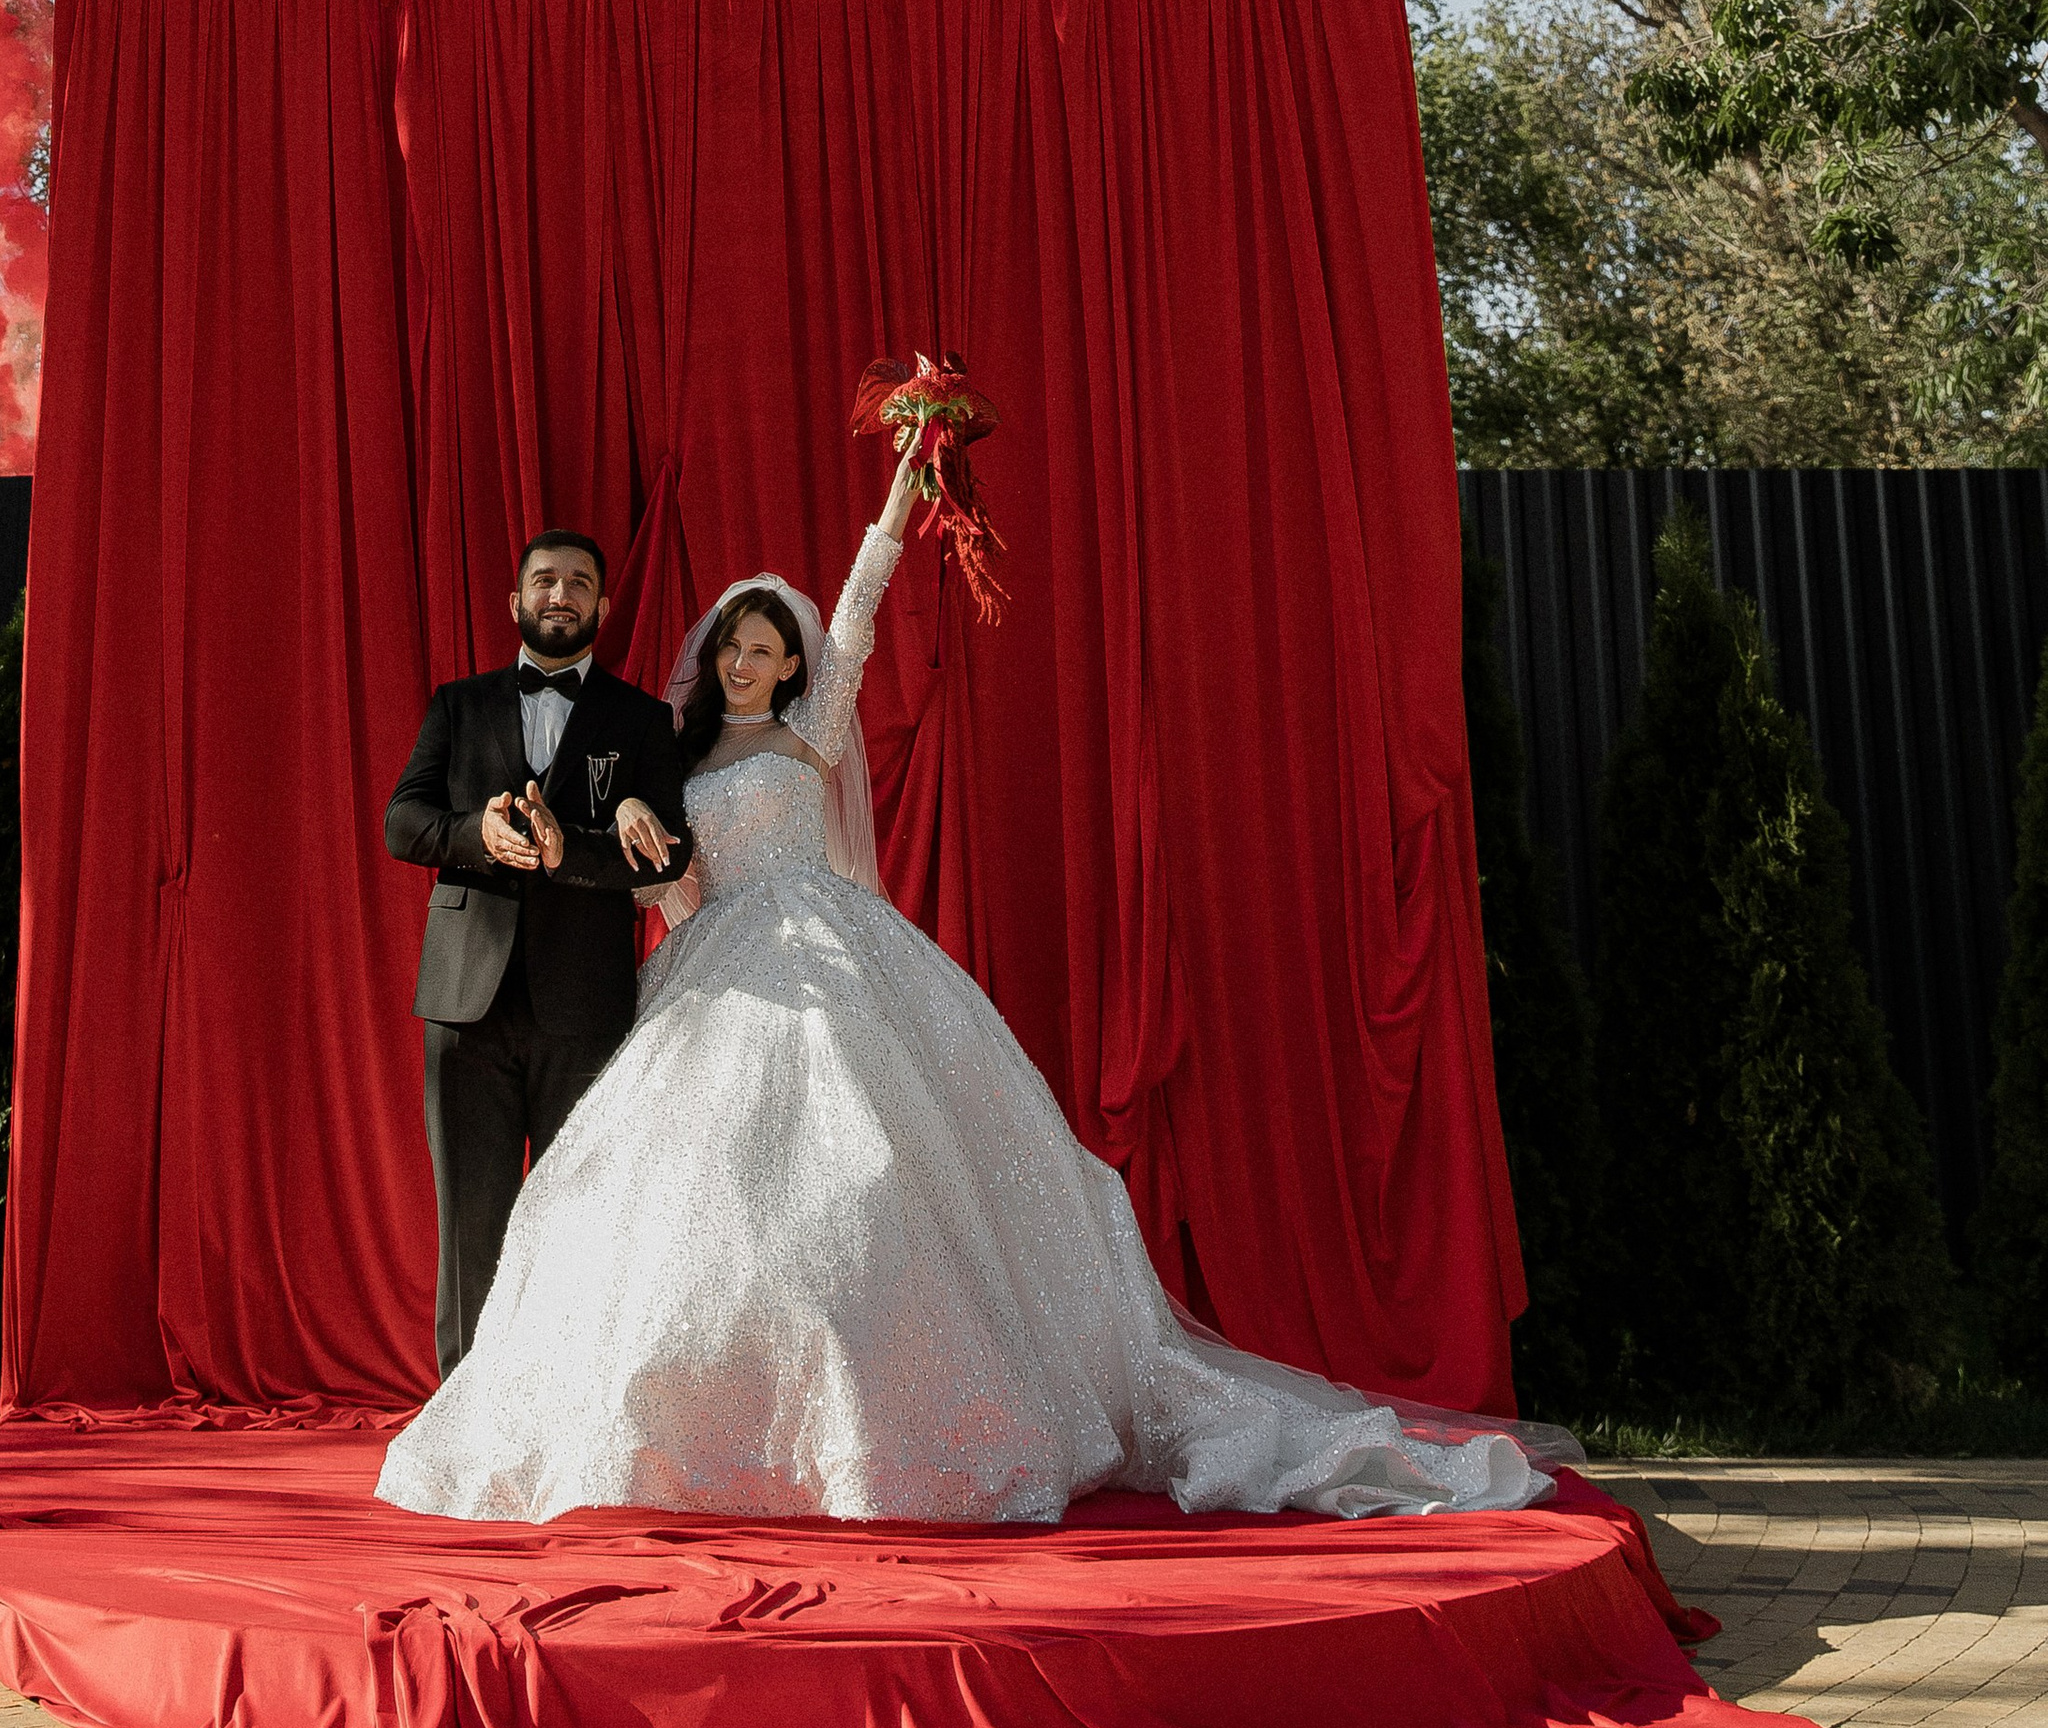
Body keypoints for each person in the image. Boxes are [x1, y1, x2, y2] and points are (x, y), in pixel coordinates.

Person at [377, 438, 1549, 1528]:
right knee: (684, 1209)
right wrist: (642, 865)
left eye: (767, 646)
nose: (749, 660)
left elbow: (861, 603)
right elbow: (663, 878)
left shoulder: (811, 733)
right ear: (708, 656)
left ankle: (881, 1428)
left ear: (791, 663)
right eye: (734, 644)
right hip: (713, 966)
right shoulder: (670, 755)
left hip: (830, 955)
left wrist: (906, 481)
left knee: (861, 1180)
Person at [383, 525, 693, 1375]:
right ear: (515, 602)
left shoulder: (642, 719)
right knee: (469, 1228)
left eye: (580, 583)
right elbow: (401, 823)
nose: (562, 595)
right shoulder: (459, 704)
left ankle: (561, 1422)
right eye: (546, 581)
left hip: (584, 1009)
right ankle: (460, 1424)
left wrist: (573, 852)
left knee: (578, 1226)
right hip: (465, 1009)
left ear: (602, 603)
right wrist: (474, 835)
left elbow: (670, 853)